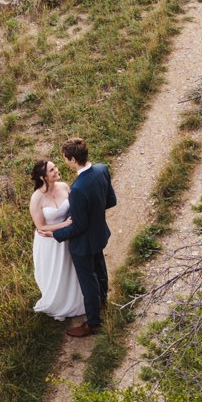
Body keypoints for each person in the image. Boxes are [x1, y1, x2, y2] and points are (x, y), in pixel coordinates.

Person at [39, 137, 116, 337]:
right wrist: (94, 215)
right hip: (99, 233)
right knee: (100, 268)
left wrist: (54, 234)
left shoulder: (78, 189)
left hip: (83, 243)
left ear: (73, 159)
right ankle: (102, 302)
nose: (64, 162)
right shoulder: (102, 169)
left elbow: (78, 227)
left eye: (65, 158)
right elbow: (111, 200)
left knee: (88, 281)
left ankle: (93, 323)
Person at [28, 158, 85, 320]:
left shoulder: (64, 186)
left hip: (68, 237)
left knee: (71, 269)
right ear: (43, 177)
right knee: (55, 273)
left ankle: (77, 300)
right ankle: (58, 303)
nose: (57, 170)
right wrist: (64, 225)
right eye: (52, 170)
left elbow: (74, 208)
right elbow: (41, 226)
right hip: (49, 241)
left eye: (55, 167)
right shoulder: (37, 198)